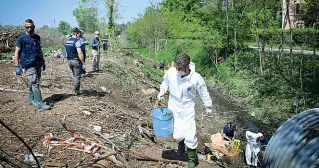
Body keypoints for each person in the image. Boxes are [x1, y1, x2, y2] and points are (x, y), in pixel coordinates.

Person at [157, 53, 212, 168]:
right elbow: (165, 83)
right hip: (173, 107)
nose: (178, 70)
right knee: (177, 136)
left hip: (188, 109)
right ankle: (181, 145)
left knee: (190, 135)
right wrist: (162, 91)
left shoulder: (196, 78)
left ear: (187, 67)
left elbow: (203, 92)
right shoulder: (172, 72)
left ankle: (192, 160)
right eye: (177, 68)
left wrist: (208, 106)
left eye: (180, 68)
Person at [14, 19, 51, 110]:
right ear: (25, 27)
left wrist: (43, 61)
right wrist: (17, 66)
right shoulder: (21, 38)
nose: (29, 29)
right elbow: (16, 52)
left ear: (34, 26)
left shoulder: (37, 37)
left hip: (37, 63)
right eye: (27, 27)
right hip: (28, 64)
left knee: (33, 82)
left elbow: (40, 50)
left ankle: (31, 100)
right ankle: (39, 103)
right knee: (35, 83)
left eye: (31, 27)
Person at [64, 27, 85, 96]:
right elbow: (80, 53)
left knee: (74, 75)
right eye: (79, 34)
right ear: (76, 34)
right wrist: (83, 63)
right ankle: (77, 92)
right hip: (76, 61)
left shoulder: (67, 41)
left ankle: (76, 90)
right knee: (77, 77)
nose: (79, 35)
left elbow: (66, 52)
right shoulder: (77, 42)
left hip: (69, 61)